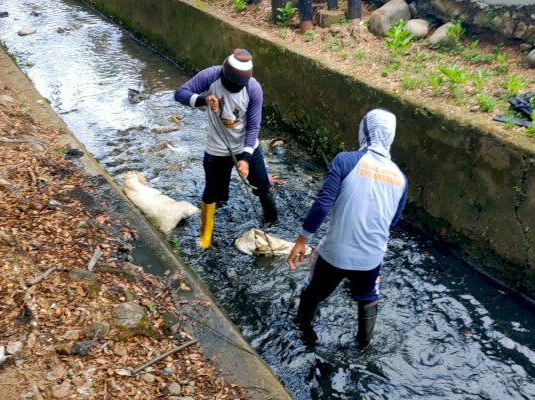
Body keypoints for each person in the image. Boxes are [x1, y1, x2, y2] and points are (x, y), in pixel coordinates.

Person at [287, 109, 408, 347]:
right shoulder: (401, 178)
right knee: (368, 297)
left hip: (335, 254)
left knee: (312, 293)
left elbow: (322, 204)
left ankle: (304, 334)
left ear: (365, 131)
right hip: (371, 258)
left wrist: (301, 241)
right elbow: (391, 222)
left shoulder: (346, 160)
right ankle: (363, 344)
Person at [174, 49, 278, 249]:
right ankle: (205, 236)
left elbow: (254, 126)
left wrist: (246, 158)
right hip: (217, 148)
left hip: (247, 146)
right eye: (230, 85)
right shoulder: (211, 76)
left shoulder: (253, 89)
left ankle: (272, 222)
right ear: (223, 75)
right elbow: (180, 94)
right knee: (213, 192)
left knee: (262, 185)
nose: (233, 89)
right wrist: (204, 100)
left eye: (238, 87)